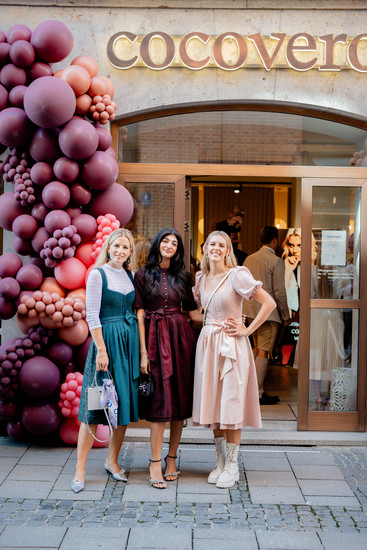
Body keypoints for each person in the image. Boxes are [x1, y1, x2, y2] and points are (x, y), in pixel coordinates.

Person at [192, 231, 276, 488]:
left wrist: (247, 330)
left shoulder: (237, 274)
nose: (216, 248)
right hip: (208, 344)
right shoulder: (201, 277)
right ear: (204, 248)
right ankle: (219, 461)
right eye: (211, 244)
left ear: (228, 250)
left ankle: (232, 464)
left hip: (231, 345)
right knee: (214, 404)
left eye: (221, 244)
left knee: (230, 403)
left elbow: (269, 303)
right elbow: (199, 314)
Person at [71, 229, 139, 493]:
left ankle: (112, 461)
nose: (121, 251)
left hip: (128, 345)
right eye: (117, 246)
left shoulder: (130, 275)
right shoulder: (97, 275)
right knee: (94, 409)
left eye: (126, 247)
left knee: (122, 407)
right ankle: (80, 469)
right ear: (108, 248)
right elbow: (92, 315)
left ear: (130, 252)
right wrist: (100, 349)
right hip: (106, 346)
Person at [134, 228, 202, 489]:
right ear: (157, 243)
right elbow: (140, 313)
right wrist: (143, 353)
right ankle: (154, 462)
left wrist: (225, 321)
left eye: (174, 243)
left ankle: (171, 459)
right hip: (153, 337)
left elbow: (193, 314)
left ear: (178, 249)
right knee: (160, 403)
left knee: (178, 403)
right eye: (165, 241)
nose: (170, 246)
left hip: (180, 340)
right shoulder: (142, 274)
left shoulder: (183, 276)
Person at [243, 226, 292, 405]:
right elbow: (279, 292)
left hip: (249, 312)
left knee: (256, 349)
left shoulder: (249, 259)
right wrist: (286, 315)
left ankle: (251, 391)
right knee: (263, 351)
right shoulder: (275, 261)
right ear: (274, 240)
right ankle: (257, 393)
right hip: (268, 314)